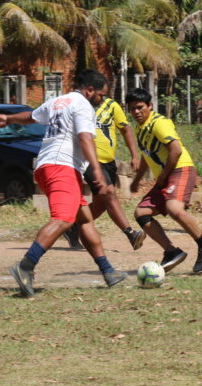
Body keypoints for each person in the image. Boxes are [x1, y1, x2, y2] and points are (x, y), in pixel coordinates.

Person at [0, 71, 127, 297]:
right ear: (89, 90)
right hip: (61, 166)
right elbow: (85, 138)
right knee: (63, 220)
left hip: (47, 165)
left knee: (84, 219)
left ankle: (108, 271)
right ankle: (25, 266)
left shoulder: (58, 101)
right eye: (100, 95)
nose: (101, 100)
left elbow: (31, 116)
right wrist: (97, 172)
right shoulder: (83, 105)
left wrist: (8, 119)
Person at [127, 88, 202, 274]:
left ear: (150, 106)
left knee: (174, 208)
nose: (136, 112)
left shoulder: (159, 123)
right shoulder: (139, 128)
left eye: (140, 107)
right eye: (132, 108)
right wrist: (136, 180)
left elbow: (175, 150)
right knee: (141, 213)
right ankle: (171, 252)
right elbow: (146, 156)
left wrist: (163, 176)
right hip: (166, 175)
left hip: (180, 169)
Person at [61, 71, 145, 251]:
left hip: (108, 162)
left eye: (103, 94)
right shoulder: (77, 106)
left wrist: (134, 154)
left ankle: (72, 227)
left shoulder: (111, 106)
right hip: (88, 161)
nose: (101, 97)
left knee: (101, 203)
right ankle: (130, 233)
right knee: (109, 193)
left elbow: (126, 130)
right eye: (100, 93)